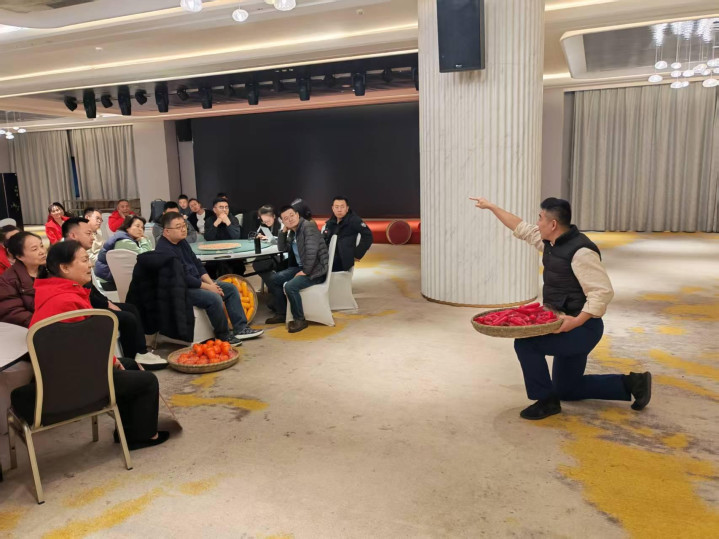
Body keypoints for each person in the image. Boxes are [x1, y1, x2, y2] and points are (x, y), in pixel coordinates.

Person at [471, 196, 652, 420]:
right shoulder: (551, 242)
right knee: (567, 389)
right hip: (564, 323)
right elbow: (521, 227)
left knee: (526, 345)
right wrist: (491, 207)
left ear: (553, 224)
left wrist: (576, 322)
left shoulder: (581, 252)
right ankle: (633, 383)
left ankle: (546, 402)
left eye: (540, 218)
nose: (537, 223)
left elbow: (602, 292)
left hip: (583, 328)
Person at [18, 240, 169, 450]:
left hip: (62, 374)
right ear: (65, 268)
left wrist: (114, 362)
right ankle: (143, 436)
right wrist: (112, 363)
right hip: (73, 386)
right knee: (147, 380)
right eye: (83, 260)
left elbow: (81, 347)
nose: (90, 265)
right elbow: (86, 351)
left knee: (130, 364)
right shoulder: (68, 302)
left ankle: (128, 431)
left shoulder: (52, 292)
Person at [62, 218, 164, 367]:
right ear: (73, 235)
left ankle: (140, 352)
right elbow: (81, 290)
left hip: (90, 300)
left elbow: (89, 288)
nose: (92, 237)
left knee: (131, 307)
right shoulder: (66, 256)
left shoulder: (77, 253)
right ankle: (132, 360)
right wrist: (106, 304)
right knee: (127, 317)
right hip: (82, 308)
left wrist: (106, 302)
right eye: (88, 233)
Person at [154, 212, 263, 344]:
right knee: (214, 298)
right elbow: (183, 277)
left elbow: (197, 264)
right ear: (166, 231)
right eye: (178, 227)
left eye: (184, 225)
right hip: (180, 289)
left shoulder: (182, 242)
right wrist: (209, 288)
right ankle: (223, 335)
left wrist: (212, 284)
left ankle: (240, 328)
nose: (183, 229)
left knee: (230, 288)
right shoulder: (164, 250)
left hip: (196, 283)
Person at [265, 205, 329, 333]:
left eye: (292, 215)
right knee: (274, 279)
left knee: (290, 286)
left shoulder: (308, 227)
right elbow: (282, 248)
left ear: (298, 215)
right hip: (302, 267)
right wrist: (283, 231)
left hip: (316, 270)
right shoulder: (294, 231)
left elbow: (311, 253)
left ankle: (300, 319)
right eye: (285, 218)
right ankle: (282, 313)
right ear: (282, 221)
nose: (290, 219)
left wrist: (305, 272)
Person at [0, 232, 46, 326]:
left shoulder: (50, 270)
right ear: (19, 256)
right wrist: (43, 324)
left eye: (41, 246)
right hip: (32, 328)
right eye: (35, 249)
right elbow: (13, 312)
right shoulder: (7, 280)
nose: (42, 251)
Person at [95, 215, 152, 283]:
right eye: (137, 226)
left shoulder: (123, 236)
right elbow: (146, 257)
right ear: (127, 227)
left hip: (113, 276)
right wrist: (143, 240)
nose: (140, 229)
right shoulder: (124, 242)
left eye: (142, 227)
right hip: (109, 280)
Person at [322, 196, 373, 272]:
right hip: (329, 256)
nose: (339, 210)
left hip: (342, 259)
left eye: (342, 207)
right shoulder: (331, 222)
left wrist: (357, 254)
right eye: (336, 207)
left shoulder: (354, 220)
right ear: (332, 208)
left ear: (347, 208)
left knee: (316, 269)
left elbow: (368, 236)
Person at [252, 205, 287, 292]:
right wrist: (259, 236)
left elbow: (285, 241)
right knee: (257, 263)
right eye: (264, 221)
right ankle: (274, 287)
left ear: (274, 216)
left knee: (260, 264)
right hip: (268, 253)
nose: (266, 223)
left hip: (282, 254)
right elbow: (256, 234)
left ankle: (274, 288)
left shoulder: (282, 224)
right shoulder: (263, 224)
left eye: (268, 221)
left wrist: (269, 238)